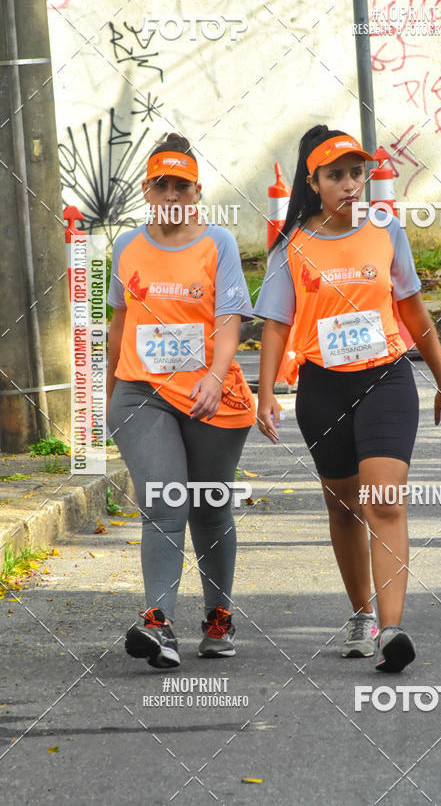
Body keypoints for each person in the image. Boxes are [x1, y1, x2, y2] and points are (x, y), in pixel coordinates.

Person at [254, 125, 441, 672]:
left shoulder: (385, 229)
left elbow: (412, 308)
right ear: (314, 182)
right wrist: (267, 392)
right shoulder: (292, 244)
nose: (349, 184)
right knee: (344, 508)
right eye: (336, 176)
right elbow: (275, 324)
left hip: (386, 378)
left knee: (384, 500)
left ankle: (392, 630)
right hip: (322, 386)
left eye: (356, 173)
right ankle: (362, 615)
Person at [106, 132, 255, 668]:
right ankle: (158, 623)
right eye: (161, 184)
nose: (171, 194)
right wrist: (107, 397)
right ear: (147, 190)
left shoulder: (218, 243)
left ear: (197, 191)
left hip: (206, 395)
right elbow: (119, 322)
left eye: (182, 185)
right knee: (165, 501)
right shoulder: (126, 246)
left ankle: (218, 618)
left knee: (209, 505)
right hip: (141, 394)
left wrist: (215, 376)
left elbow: (229, 319)